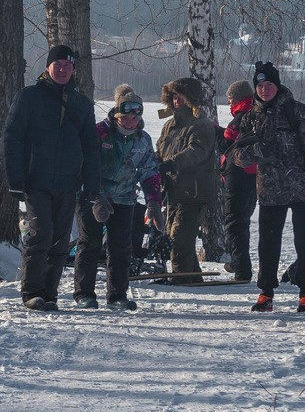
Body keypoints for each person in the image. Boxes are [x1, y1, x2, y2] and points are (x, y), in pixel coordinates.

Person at [5, 44, 102, 311]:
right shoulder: (29, 97)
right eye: (57, 65)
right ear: (47, 67)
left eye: (67, 66)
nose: (62, 70)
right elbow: (12, 138)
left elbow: (91, 148)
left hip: (68, 183)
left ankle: (49, 293)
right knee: (41, 235)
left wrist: (92, 184)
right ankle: (32, 292)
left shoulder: (81, 104)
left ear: (73, 70)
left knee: (60, 240)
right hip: (35, 180)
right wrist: (15, 178)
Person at [238, 61, 305, 312]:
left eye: (269, 85)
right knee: (268, 245)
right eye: (260, 86)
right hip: (269, 191)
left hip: (302, 189)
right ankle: (266, 293)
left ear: (278, 85)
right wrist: (257, 151)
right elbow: (237, 156)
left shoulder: (298, 111)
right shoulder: (250, 118)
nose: (264, 90)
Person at [75, 85, 157, 310]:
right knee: (89, 243)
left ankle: (117, 295)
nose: (130, 122)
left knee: (121, 247)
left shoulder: (143, 140)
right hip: (93, 197)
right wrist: (95, 193)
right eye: (125, 117)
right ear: (116, 114)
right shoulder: (99, 132)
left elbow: (149, 171)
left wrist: (153, 201)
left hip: (125, 199)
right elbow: (83, 164)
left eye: (135, 118)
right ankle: (84, 293)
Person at [154, 77, 222, 282]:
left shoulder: (201, 125)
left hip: (195, 192)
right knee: (180, 236)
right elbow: (160, 149)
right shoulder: (169, 125)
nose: (177, 101)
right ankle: (193, 277)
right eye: (174, 97)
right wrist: (154, 164)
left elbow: (196, 151)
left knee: (179, 238)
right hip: (173, 190)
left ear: (191, 99)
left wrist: (171, 163)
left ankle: (181, 279)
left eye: (181, 97)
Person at [219, 80, 260, 282]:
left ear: (237, 98)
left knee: (234, 222)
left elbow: (226, 144)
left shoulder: (241, 117)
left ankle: (241, 268)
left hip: (237, 176)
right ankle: (240, 264)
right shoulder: (256, 113)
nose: (228, 102)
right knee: (242, 221)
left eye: (230, 98)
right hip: (253, 177)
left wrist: (213, 131)